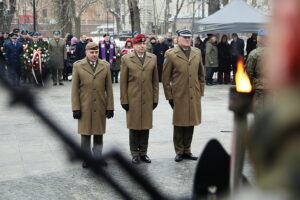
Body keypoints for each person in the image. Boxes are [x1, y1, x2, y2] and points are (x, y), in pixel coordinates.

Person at [162, 29, 205, 162]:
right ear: (178, 38)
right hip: (179, 94)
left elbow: (201, 75)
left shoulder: (196, 52)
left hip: (193, 93)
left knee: (191, 122)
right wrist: (169, 97)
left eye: (189, 37)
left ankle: (187, 150)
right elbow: (165, 78)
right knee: (179, 123)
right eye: (184, 37)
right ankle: (179, 151)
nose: (187, 39)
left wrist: (200, 92)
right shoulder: (171, 54)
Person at [71, 42, 114, 168]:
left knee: (98, 132)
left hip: (100, 104)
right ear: (86, 52)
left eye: (96, 52)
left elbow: (109, 89)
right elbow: (74, 89)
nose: (94, 55)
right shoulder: (78, 66)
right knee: (85, 133)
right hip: (85, 104)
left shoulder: (105, 65)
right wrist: (76, 108)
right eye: (92, 52)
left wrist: (110, 107)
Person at [120, 33, 159, 164]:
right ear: (134, 45)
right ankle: (135, 153)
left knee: (145, 126)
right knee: (134, 126)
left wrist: (155, 98)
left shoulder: (152, 58)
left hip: (147, 97)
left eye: (144, 44)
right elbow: (123, 82)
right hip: (133, 98)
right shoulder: (126, 59)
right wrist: (124, 100)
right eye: (139, 44)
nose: (142, 46)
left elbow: (155, 81)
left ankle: (143, 152)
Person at [245, 29, 267, 113]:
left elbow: (248, 73)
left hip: (259, 87)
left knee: (259, 112)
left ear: (259, 38)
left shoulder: (254, 53)